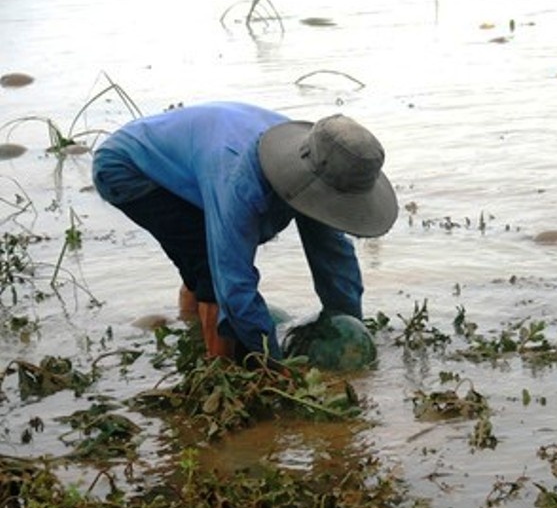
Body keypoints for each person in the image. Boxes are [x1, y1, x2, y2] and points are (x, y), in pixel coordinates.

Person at [92, 101, 398, 362]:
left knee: (206, 259)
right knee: (209, 270)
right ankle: (218, 371)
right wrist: (272, 366)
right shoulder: (240, 183)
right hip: (129, 168)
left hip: (196, 160)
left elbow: (332, 255)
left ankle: (193, 329)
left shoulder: (322, 159)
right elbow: (233, 283)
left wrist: (346, 324)